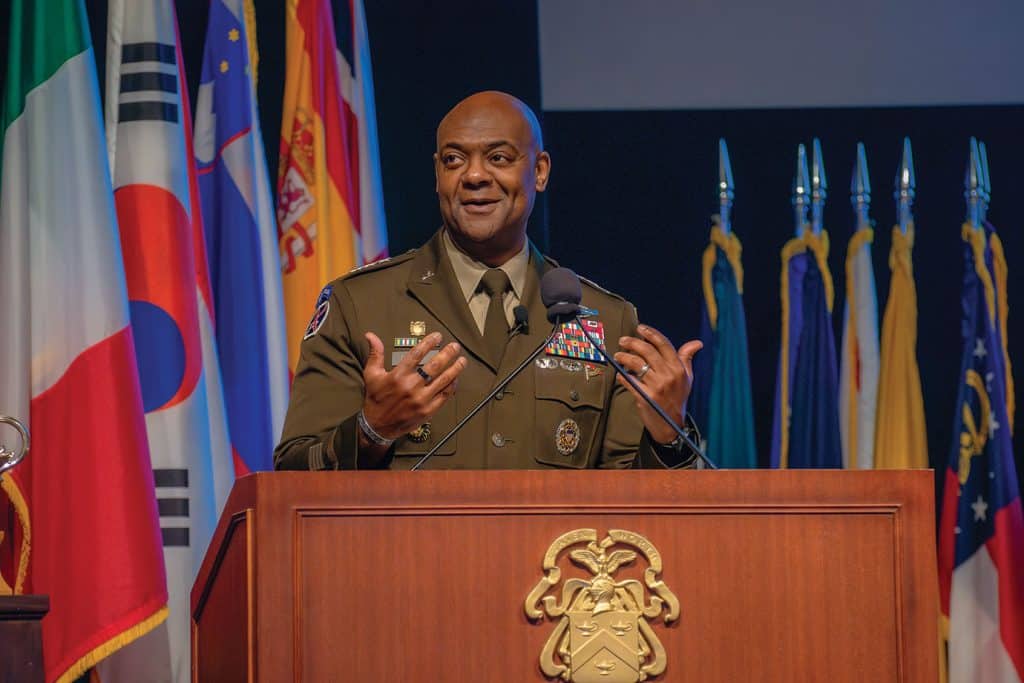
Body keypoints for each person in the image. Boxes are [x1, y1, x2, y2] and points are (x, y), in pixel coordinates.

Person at [274, 91, 703, 471]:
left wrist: (669, 434)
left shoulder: (605, 321)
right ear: (437, 174)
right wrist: (372, 430)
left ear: (539, 172)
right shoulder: (359, 304)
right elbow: (292, 476)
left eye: (498, 158)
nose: (475, 176)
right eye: (454, 160)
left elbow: (638, 513)